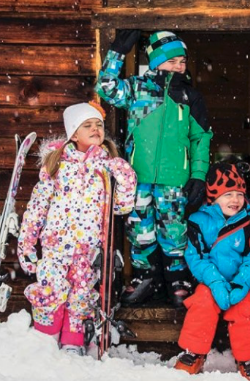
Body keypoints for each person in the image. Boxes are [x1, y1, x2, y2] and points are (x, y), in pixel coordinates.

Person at [95, 29, 213, 307]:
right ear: (156, 61)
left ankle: (177, 279)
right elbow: (106, 87)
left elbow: (201, 138)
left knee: (174, 230)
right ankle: (145, 277)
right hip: (137, 179)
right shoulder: (137, 88)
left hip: (175, 179)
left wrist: (198, 175)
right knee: (140, 230)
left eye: (182, 61)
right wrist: (116, 53)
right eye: (172, 60)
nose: (179, 66)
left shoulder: (189, 97)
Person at [16, 102, 137, 356]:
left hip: (87, 251)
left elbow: (122, 208)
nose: (96, 128)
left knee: (80, 297)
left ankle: (73, 343)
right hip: (55, 248)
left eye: (99, 125)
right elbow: (37, 206)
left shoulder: (106, 167)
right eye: (88, 125)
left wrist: (124, 175)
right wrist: (27, 243)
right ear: (73, 134)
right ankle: (45, 341)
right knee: (51, 294)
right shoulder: (56, 165)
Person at [174, 163, 250, 380]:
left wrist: (240, 283)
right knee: (202, 303)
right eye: (228, 194)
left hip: (240, 282)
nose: (235, 200)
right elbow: (195, 258)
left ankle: (248, 357)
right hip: (210, 282)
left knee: (245, 309)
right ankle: (194, 352)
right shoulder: (198, 221)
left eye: (239, 194)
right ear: (213, 197)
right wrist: (215, 282)